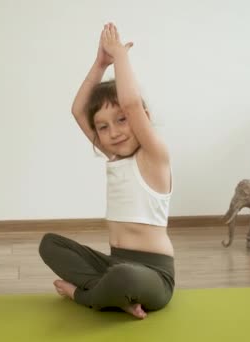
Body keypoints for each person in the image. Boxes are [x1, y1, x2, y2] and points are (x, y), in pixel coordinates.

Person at [39, 23, 174, 319]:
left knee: (124, 277)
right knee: (49, 244)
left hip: (154, 276)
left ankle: (84, 295)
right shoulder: (113, 156)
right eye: (103, 126)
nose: (113, 132)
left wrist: (121, 57)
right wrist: (100, 64)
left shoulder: (155, 156)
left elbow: (131, 102)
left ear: (142, 120)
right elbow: (78, 110)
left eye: (122, 120)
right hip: (113, 264)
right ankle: (113, 297)